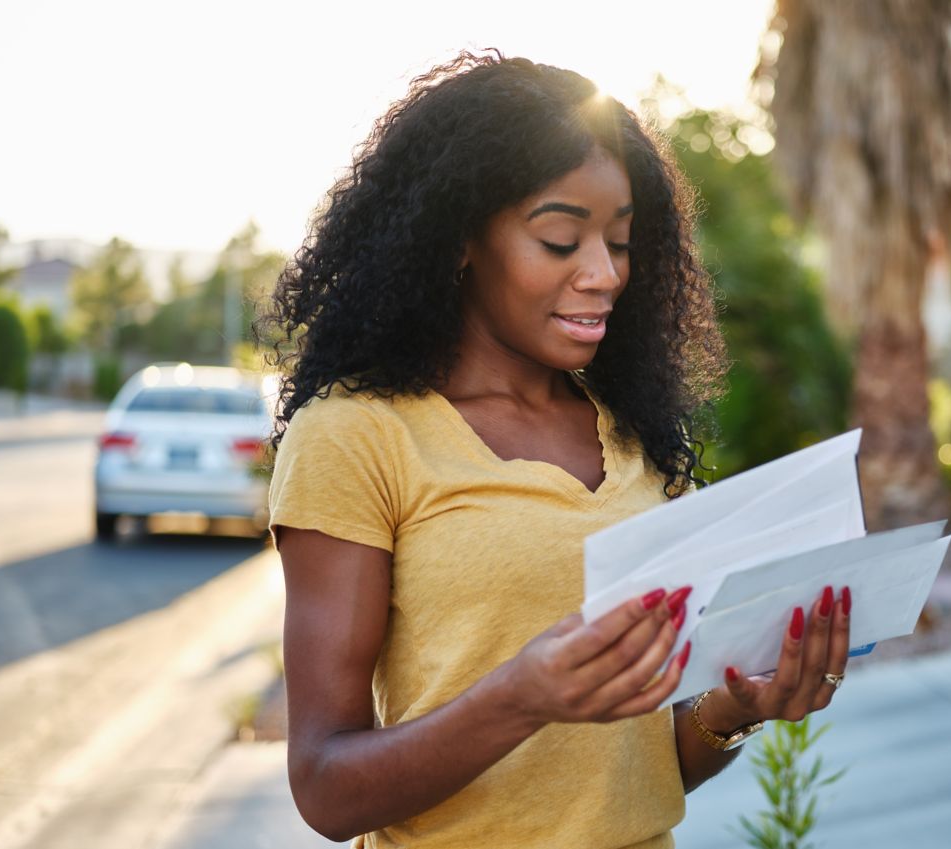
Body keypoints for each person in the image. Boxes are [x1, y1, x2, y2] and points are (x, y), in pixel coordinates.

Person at [261, 50, 855, 849]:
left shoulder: (631, 430)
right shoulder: (358, 434)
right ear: (461, 239)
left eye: (619, 241)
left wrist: (732, 708)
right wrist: (520, 695)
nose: (604, 273)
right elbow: (327, 789)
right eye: (559, 239)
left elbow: (633, 771)